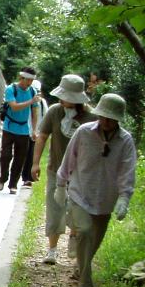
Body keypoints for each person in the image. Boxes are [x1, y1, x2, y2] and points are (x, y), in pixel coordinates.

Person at [55, 93, 137, 287]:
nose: (106, 121)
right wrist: (60, 185)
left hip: (105, 200)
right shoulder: (83, 132)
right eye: (103, 116)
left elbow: (127, 171)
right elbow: (68, 159)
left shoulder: (125, 140)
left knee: (92, 244)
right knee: (84, 231)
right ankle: (85, 286)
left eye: (111, 118)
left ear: (118, 119)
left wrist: (124, 198)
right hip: (80, 194)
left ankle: (80, 267)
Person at [30, 74, 95, 264]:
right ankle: (52, 249)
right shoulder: (55, 112)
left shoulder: (91, 117)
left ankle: (74, 238)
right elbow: (42, 136)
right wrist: (35, 163)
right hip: (56, 169)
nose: (61, 99)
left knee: (77, 209)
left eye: (66, 97)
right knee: (54, 208)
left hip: (81, 174)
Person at [0, 67, 37, 194]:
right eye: (27, 80)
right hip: (9, 127)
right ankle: (3, 178)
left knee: (20, 158)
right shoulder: (11, 89)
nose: (29, 83)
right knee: (5, 155)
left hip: (24, 129)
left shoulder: (33, 91)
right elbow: (14, 107)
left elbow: (34, 112)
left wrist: (34, 130)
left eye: (31, 80)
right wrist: (31, 101)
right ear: (21, 78)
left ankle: (13, 184)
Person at [20, 78, 46, 187]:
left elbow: (45, 116)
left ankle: (28, 178)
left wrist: (40, 132)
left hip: (37, 133)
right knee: (24, 155)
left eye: (38, 91)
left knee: (31, 155)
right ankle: (22, 176)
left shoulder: (42, 103)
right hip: (25, 131)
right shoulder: (27, 102)